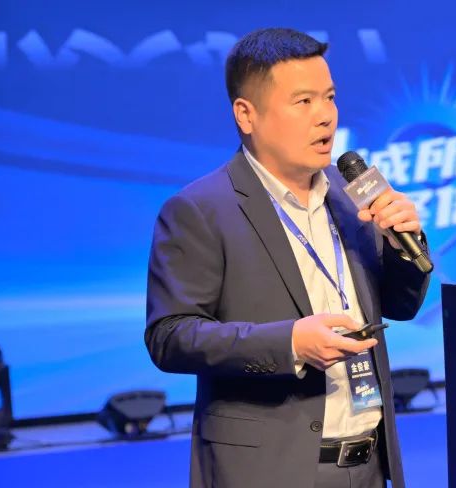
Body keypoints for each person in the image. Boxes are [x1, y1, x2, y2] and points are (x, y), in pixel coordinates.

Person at [145, 27, 430, 488]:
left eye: (330, 97)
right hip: (270, 470)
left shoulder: (351, 196)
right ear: (247, 115)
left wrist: (403, 246)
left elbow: (400, 305)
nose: (325, 116)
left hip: (369, 464)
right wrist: (290, 343)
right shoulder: (200, 209)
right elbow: (170, 336)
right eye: (303, 102)